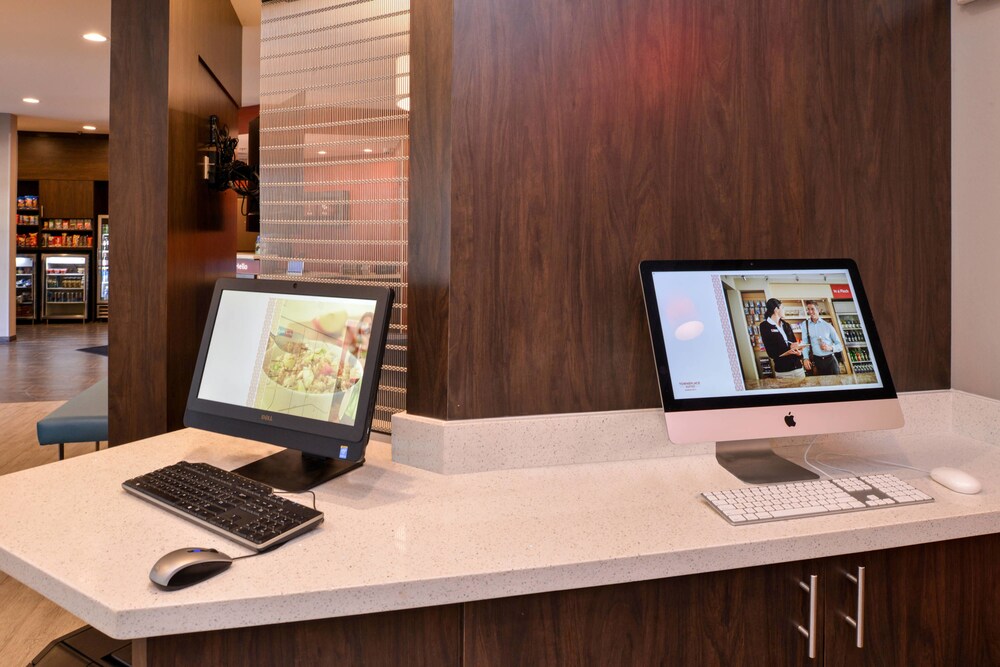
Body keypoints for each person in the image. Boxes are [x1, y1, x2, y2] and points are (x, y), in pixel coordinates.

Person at [759, 298, 806, 379]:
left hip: (798, 369)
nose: (784, 310)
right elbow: (771, 353)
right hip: (783, 372)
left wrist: (799, 353)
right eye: (782, 308)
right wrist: (789, 349)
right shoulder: (765, 326)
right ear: (776, 310)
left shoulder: (786, 325)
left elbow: (794, 343)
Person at [801, 300, 843, 376]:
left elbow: (840, 346)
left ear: (818, 310)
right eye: (808, 309)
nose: (810, 312)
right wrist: (806, 358)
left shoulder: (828, 325)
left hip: (830, 361)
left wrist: (830, 348)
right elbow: (804, 343)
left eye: (812, 309)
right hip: (816, 361)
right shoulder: (805, 325)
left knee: (835, 382)